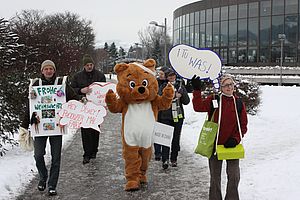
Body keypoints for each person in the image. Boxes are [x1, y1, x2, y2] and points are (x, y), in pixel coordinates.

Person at [20, 60, 78, 196]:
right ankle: (43, 177)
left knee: (56, 157)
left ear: (54, 70)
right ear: (42, 71)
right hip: (39, 126)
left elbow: (73, 98)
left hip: (57, 126)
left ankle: (52, 185)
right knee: (38, 155)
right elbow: (30, 106)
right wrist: (24, 125)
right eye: (46, 69)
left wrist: (83, 100)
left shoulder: (61, 84)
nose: (48, 71)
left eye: (50, 68)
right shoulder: (35, 84)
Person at [191, 74, 248, 200]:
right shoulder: (214, 99)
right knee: (215, 177)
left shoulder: (238, 103)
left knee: (234, 176)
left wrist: (235, 139)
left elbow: (243, 125)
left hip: (232, 146)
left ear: (234, 86)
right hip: (214, 145)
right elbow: (198, 107)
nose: (229, 87)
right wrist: (196, 90)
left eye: (231, 84)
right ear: (221, 87)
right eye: (226, 85)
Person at [71, 54, 106, 164]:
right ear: (84, 66)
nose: (89, 67)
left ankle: (94, 150)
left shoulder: (100, 75)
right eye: (87, 65)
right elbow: (71, 90)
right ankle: (86, 153)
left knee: (95, 129)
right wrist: (81, 91)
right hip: (83, 106)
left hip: (96, 107)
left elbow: (105, 90)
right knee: (85, 130)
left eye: (91, 64)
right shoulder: (77, 77)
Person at [157, 69, 190, 169]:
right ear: (166, 77)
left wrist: (181, 95)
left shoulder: (180, 87)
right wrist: (171, 96)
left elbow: (187, 101)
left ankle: (174, 159)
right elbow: (159, 99)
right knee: (165, 138)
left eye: (173, 75)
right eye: (169, 76)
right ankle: (165, 159)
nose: (171, 77)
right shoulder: (163, 87)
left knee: (176, 139)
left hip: (178, 116)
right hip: (166, 116)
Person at [153, 66, 169, 161]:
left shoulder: (169, 83)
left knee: (165, 133)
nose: (160, 75)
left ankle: (165, 153)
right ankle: (157, 152)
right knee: (157, 132)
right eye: (160, 73)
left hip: (166, 113)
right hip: (157, 111)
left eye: (162, 74)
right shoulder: (155, 83)